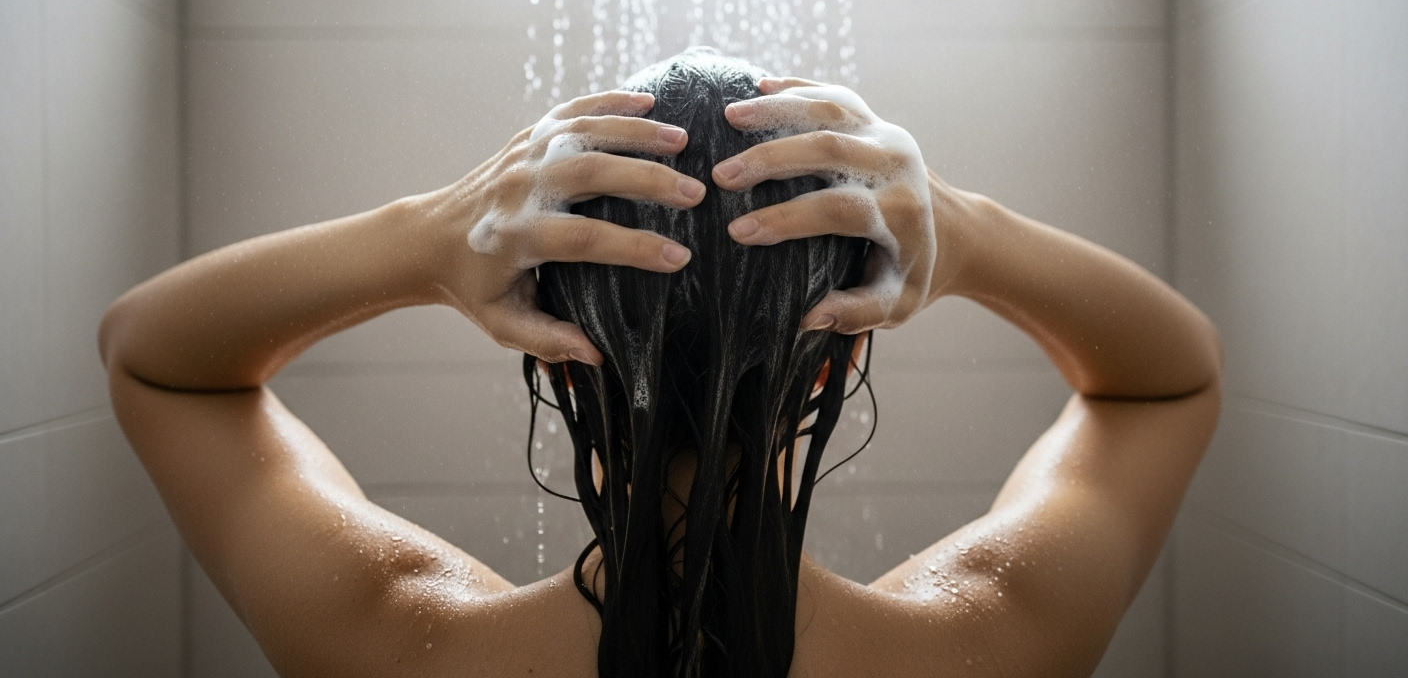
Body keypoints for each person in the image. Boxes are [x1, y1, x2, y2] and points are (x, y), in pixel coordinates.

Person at [100, 49, 1222, 677]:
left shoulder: (403, 644)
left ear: (560, 361)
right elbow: (1170, 375)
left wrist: (429, 240)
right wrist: (964, 233)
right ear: (826, 371)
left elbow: (154, 355)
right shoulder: (983, 642)